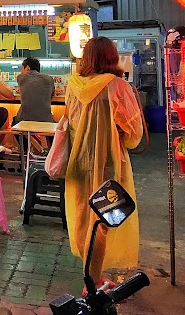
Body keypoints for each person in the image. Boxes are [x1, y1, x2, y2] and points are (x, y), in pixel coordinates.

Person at [63, 36, 143, 291]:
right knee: (103, 221)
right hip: (108, 166)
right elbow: (133, 135)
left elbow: (70, 122)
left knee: (82, 218)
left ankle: (90, 273)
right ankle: (93, 281)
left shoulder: (72, 85)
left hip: (77, 163)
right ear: (111, 57)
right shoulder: (117, 86)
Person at [14, 57, 56, 124]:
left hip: (24, 121)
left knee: (13, 122)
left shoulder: (20, 77)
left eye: (22, 69)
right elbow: (51, 93)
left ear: (27, 68)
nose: (21, 71)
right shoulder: (49, 79)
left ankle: (23, 134)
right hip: (46, 121)